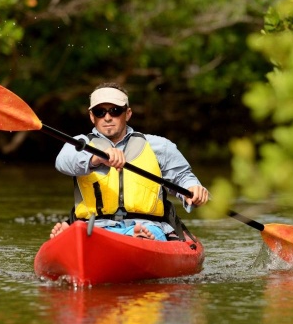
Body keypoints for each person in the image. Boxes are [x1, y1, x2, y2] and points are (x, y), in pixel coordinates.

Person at [50, 82, 209, 241]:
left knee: (147, 232)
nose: (107, 117)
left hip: (147, 224)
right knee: (86, 231)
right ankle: (73, 236)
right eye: (100, 112)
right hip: (95, 226)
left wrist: (192, 189)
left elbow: (182, 177)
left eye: (115, 111)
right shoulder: (79, 144)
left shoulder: (158, 146)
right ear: (92, 116)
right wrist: (96, 158)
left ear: (128, 113)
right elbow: (63, 162)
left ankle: (140, 238)